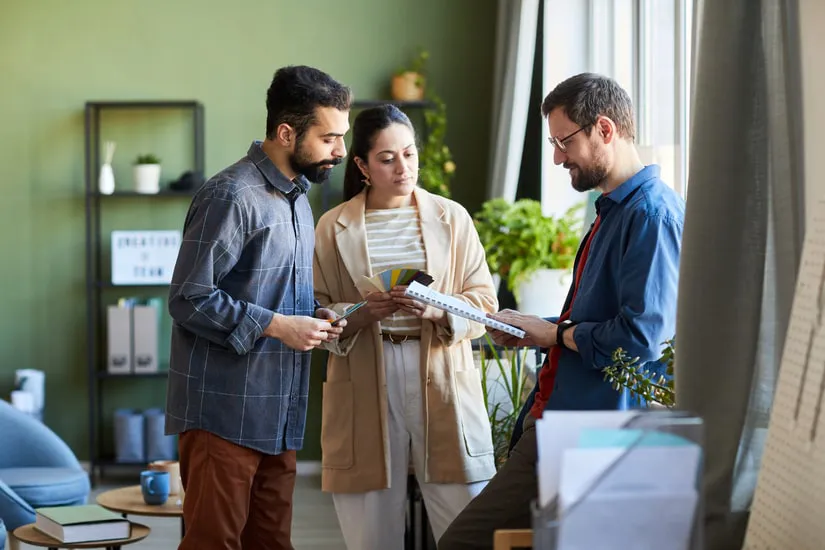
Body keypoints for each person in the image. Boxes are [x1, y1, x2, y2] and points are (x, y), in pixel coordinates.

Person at [438, 73, 686, 549]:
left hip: (591, 432)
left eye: (564, 141)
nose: (557, 157)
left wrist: (554, 334)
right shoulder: (613, 210)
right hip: (562, 420)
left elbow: (642, 339)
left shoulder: (651, 216)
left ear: (605, 129)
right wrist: (537, 328)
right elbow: (600, 320)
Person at [165, 65, 352, 550]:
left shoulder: (298, 200)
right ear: (286, 133)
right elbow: (188, 297)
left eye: (342, 136)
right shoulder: (230, 194)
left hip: (280, 412)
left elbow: (270, 291)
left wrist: (312, 316)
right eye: (329, 138)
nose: (340, 151)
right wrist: (278, 326)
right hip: (223, 413)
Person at [313, 104, 498, 549]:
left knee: (466, 521)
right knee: (370, 529)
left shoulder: (452, 218)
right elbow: (315, 311)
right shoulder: (332, 227)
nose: (403, 168)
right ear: (362, 166)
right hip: (364, 373)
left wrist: (438, 310)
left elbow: (485, 305)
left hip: (440, 370)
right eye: (387, 158)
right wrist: (361, 313)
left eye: (410, 154)